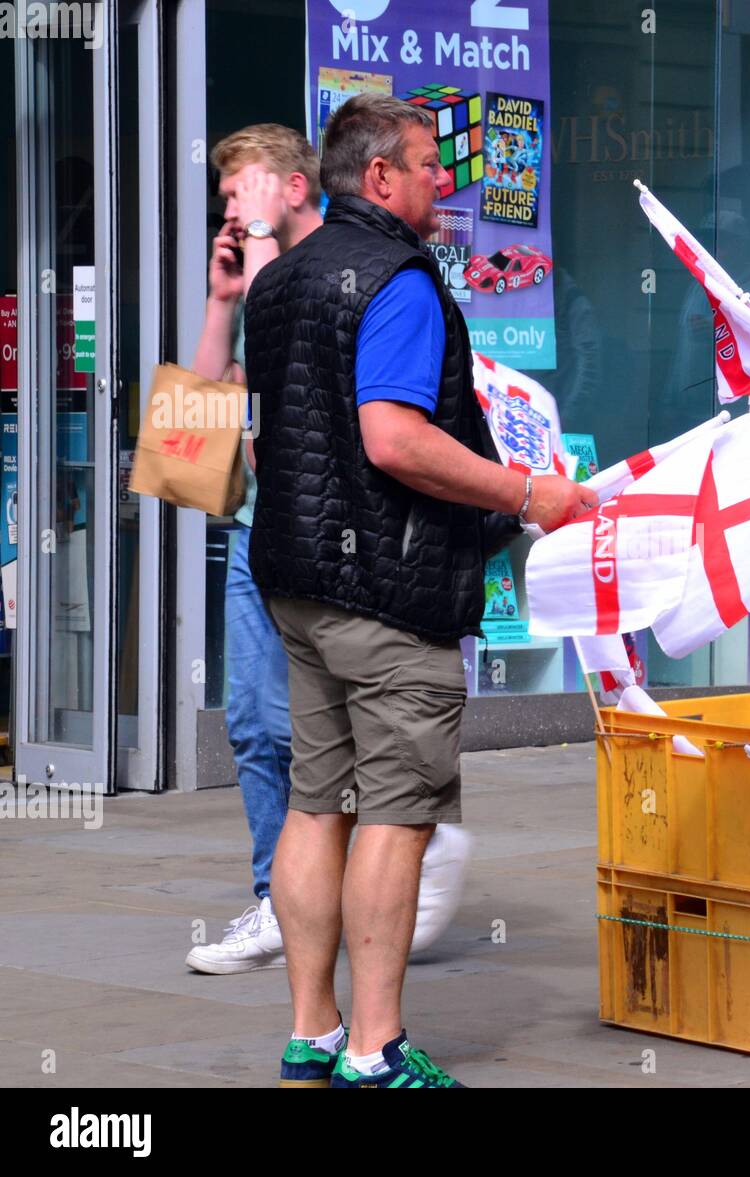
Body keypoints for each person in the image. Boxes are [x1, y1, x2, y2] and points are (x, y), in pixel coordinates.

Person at [243, 93, 596, 1088]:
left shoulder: (280, 283)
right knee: (396, 813)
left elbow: (278, 437)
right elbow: (393, 438)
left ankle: (314, 1030)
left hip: (298, 582)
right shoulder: (397, 279)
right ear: (379, 178)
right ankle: (376, 1047)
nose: (449, 178)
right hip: (389, 591)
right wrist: (528, 492)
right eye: (430, 163)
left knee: (316, 804)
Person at [185, 124, 472, 976]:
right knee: (256, 728)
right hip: (267, 540)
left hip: (354, 556)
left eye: (242, 189)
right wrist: (221, 302)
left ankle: (390, 869)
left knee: (335, 751)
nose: (229, 208)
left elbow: (390, 431)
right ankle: (288, 902)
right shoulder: (266, 291)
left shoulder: (367, 276)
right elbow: (198, 431)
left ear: (297, 188)